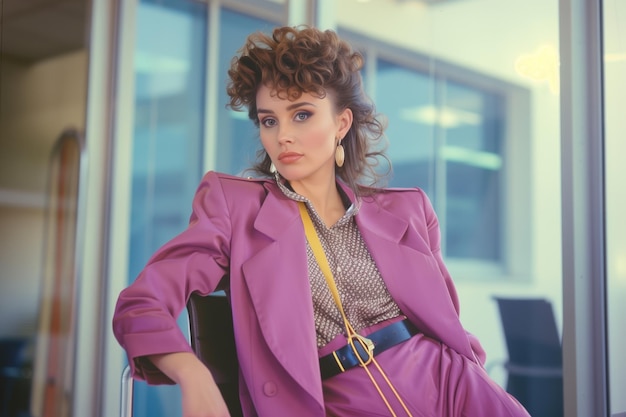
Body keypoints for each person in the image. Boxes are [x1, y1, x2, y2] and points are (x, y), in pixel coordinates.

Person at [113, 25, 531, 417]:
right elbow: (141, 304)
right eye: (268, 120)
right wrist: (192, 372)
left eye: (302, 114)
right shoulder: (234, 207)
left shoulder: (409, 211)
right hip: (333, 399)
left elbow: (448, 326)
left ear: (341, 123)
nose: (283, 136)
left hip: (452, 386)